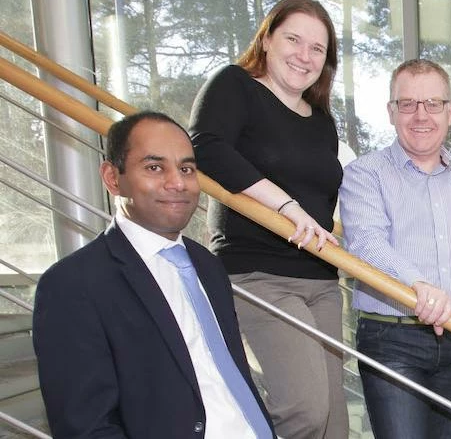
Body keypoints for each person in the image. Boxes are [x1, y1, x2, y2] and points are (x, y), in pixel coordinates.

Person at [33, 111, 274, 438]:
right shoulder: (72, 285)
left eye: (187, 169)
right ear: (112, 178)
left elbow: (227, 377)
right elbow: (87, 428)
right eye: (154, 167)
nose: (177, 182)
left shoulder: (208, 265)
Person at [188, 0, 346, 437]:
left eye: (318, 49)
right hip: (259, 274)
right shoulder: (235, 84)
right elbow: (203, 146)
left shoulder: (321, 121)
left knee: (334, 423)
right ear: (267, 38)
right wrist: (286, 206)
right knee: (304, 411)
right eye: (294, 39)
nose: (305, 55)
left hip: (322, 282)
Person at [338, 58, 451, 439]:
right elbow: (366, 244)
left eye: (433, 104)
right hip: (392, 340)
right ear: (391, 112)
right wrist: (418, 284)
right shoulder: (365, 173)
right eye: (407, 104)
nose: (420, 115)